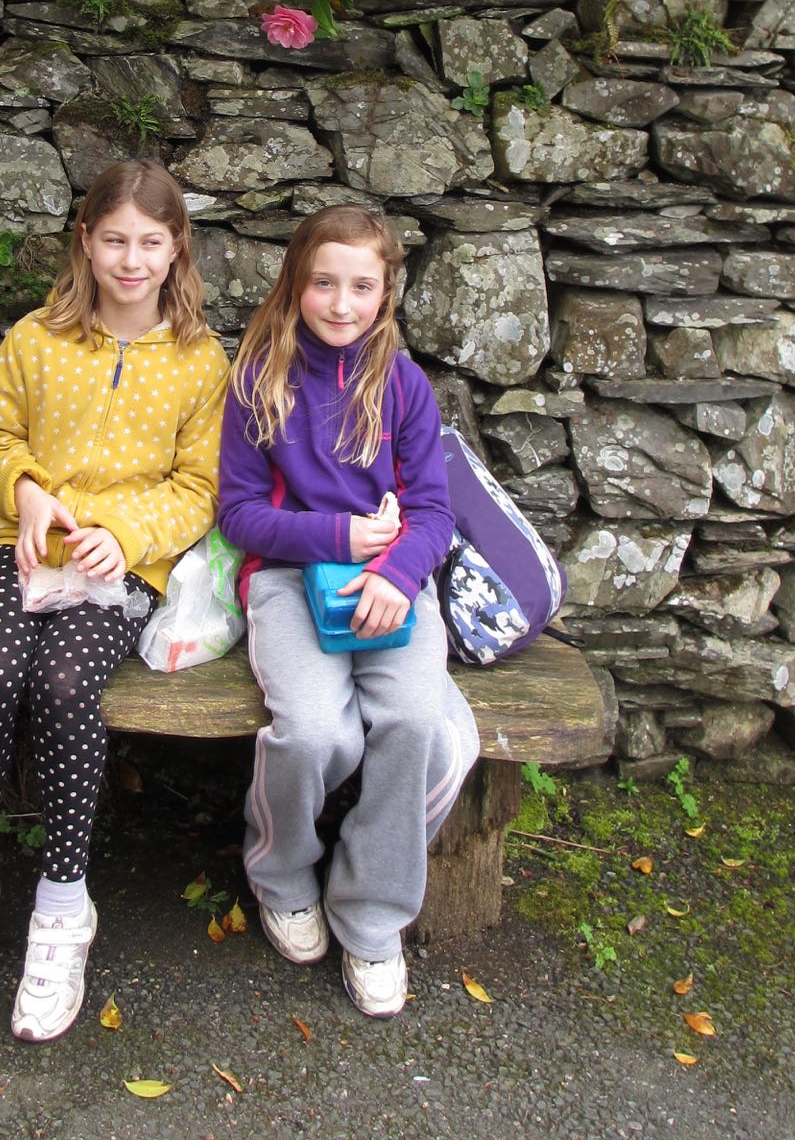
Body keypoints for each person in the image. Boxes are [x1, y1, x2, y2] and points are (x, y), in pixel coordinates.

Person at [0, 160, 229, 1041]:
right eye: (114, 240)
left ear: (177, 248)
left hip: (120, 572)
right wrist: (23, 492)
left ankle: (62, 903)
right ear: (85, 242)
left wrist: (123, 533)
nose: (131, 260)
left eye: (150, 243)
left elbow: (200, 489)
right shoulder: (35, 338)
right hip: (23, 552)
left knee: (60, 685)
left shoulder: (200, 361)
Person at [217, 205, 479, 1019]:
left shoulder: (403, 385)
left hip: (393, 585)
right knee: (313, 732)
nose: (340, 303)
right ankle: (283, 876)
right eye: (323, 283)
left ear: (385, 292)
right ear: (294, 283)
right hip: (289, 579)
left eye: (361, 286)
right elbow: (238, 515)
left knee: (417, 726)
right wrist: (334, 534)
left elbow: (433, 511)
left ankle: (370, 913)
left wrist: (397, 572)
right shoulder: (257, 380)